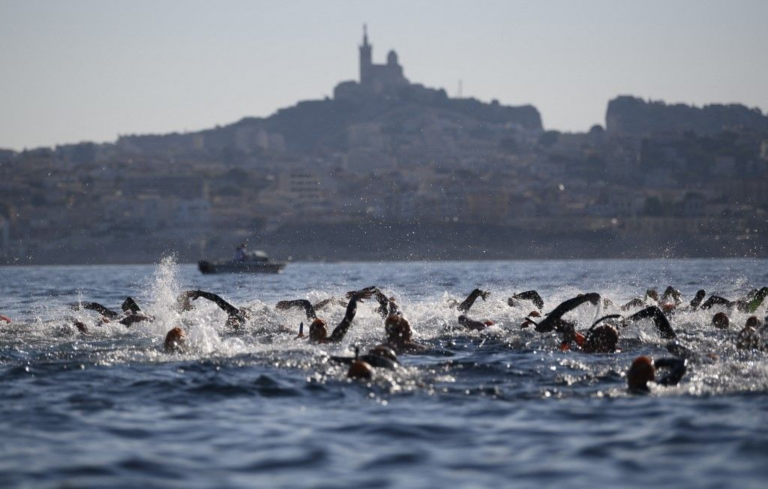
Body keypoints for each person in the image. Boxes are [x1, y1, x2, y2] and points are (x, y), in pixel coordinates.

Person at [304, 288, 373, 344]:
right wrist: (354, 298)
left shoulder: (305, 342)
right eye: (324, 324)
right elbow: (350, 315)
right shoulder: (334, 339)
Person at [184, 290, 249, 329]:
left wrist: (200, 293)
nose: (231, 318)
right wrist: (200, 293)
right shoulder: (237, 316)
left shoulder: (238, 316)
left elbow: (216, 298)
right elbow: (217, 299)